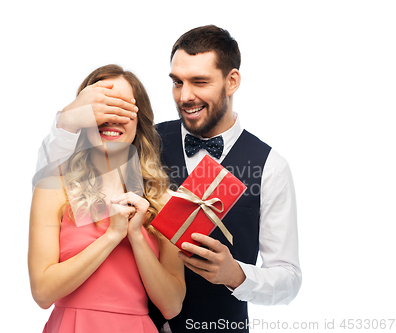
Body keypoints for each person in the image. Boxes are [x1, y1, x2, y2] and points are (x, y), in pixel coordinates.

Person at [36, 25, 302, 332]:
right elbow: (58, 177)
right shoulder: (139, 142)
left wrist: (237, 275)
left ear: (232, 82)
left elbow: (289, 278)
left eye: (199, 82)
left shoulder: (270, 166)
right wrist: (67, 121)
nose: (185, 96)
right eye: (177, 82)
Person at [28, 65, 186, 333]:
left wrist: (136, 236)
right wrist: (112, 236)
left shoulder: (164, 202)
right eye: (101, 107)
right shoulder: (53, 189)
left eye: (123, 109)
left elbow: (171, 305)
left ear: (140, 122)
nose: (111, 118)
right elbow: (42, 293)